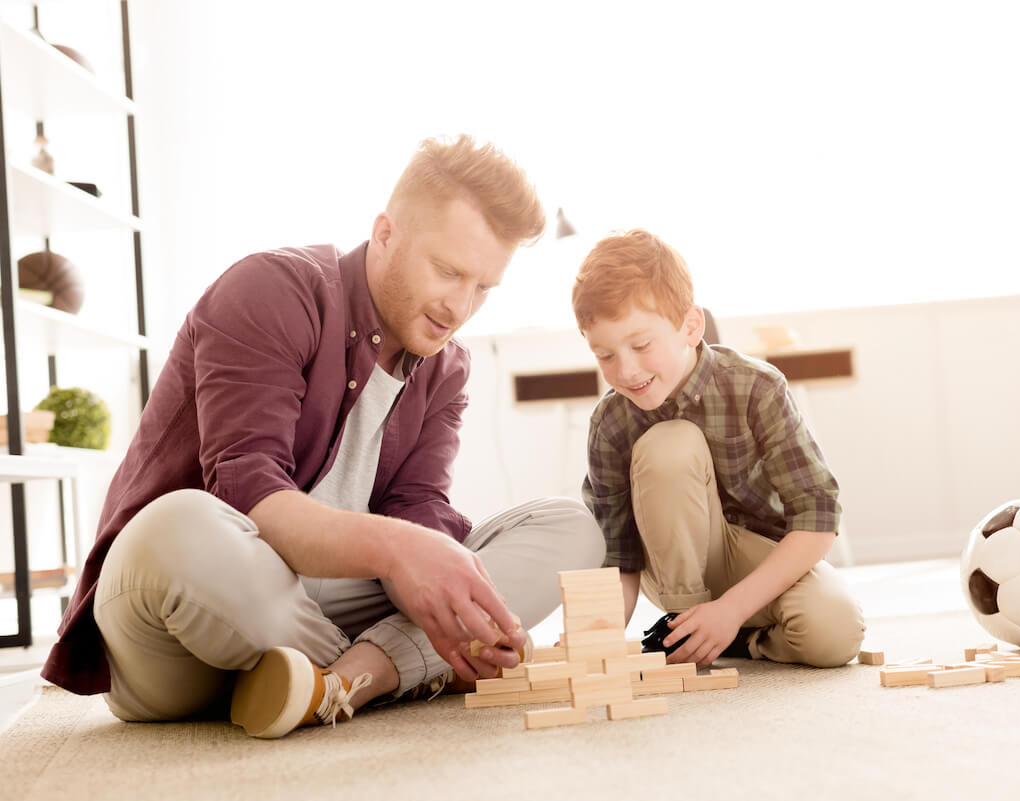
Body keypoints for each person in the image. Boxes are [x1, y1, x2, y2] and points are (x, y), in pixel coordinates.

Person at [41, 134, 605, 738]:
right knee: (174, 528)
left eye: (485, 287)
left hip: (317, 605)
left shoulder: (447, 366)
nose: (461, 306)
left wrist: (449, 582)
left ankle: (335, 683)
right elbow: (245, 493)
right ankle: (394, 671)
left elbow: (415, 509)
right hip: (197, 611)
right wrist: (410, 571)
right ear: (386, 232)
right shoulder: (273, 289)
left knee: (569, 528)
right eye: (448, 271)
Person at [572, 229, 864, 669]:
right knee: (672, 443)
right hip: (671, 566)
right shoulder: (611, 422)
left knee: (835, 632)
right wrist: (596, 642)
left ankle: (731, 637)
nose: (626, 370)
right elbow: (618, 553)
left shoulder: (757, 387)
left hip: (759, 558)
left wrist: (733, 609)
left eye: (641, 345)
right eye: (605, 355)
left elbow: (818, 514)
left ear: (691, 326)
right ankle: (683, 628)